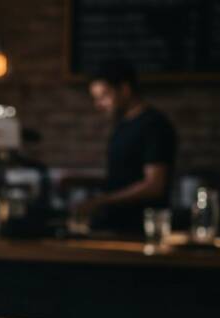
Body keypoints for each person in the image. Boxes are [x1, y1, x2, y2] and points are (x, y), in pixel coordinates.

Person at [76, 58, 177, 233]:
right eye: (96, 99)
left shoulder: (154, 125)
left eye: (104, 97)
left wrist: (102, 201)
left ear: (124, 89)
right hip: (116, 225)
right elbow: (123, 176)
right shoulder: (123, 125)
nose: (98, 105)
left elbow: (154, 185)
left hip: (140, 230)